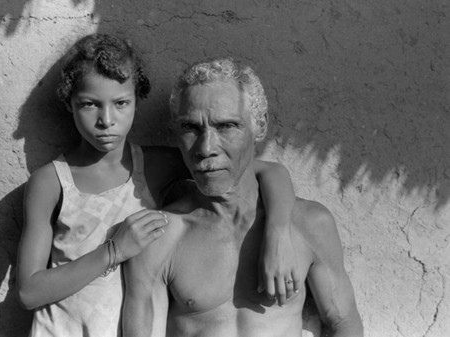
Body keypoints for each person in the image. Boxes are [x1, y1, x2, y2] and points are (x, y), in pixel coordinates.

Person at [15, 34, 299, 337]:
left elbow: (268, 172)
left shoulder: (154, 166)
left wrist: (277, 233)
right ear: (69, 103)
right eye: (89, 105)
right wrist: (115, 251)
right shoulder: (52, 181)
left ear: (137, 100)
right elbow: (29, 292)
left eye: (121, 103)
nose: (106, 120)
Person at [122, 57, 364, 337]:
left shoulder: (308, 224)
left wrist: (277, 231)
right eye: (191, 128)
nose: (206, 147)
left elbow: (342, 322)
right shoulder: (159, 237)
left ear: (259, 126)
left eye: (226, 126)